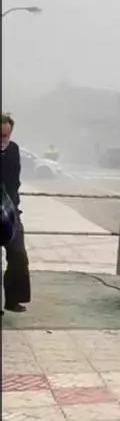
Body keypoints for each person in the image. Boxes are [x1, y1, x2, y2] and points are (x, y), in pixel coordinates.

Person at [1, 113, 30, 315]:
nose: (3, 140)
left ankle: (13, 299)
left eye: (6, 135)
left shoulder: (14, 150)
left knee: (18, 254)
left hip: (9, 210)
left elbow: (15, 180)